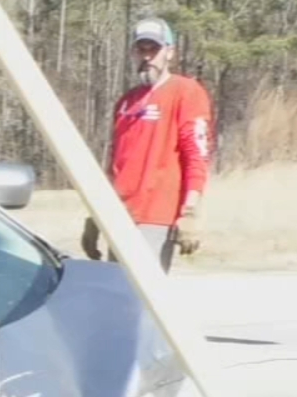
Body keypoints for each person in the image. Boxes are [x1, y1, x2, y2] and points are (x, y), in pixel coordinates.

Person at [82, 18, 213, 273]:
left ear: (170, 53)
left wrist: (189, 211)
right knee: (118, 296)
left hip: (155, 217)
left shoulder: (185, 91)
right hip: (120, 216)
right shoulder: (126, 102)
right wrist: (95, 216)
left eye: (154, 49)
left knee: (141, 300)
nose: (147, 57)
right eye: (141, 49)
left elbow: (196, 155)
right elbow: (116, 165)